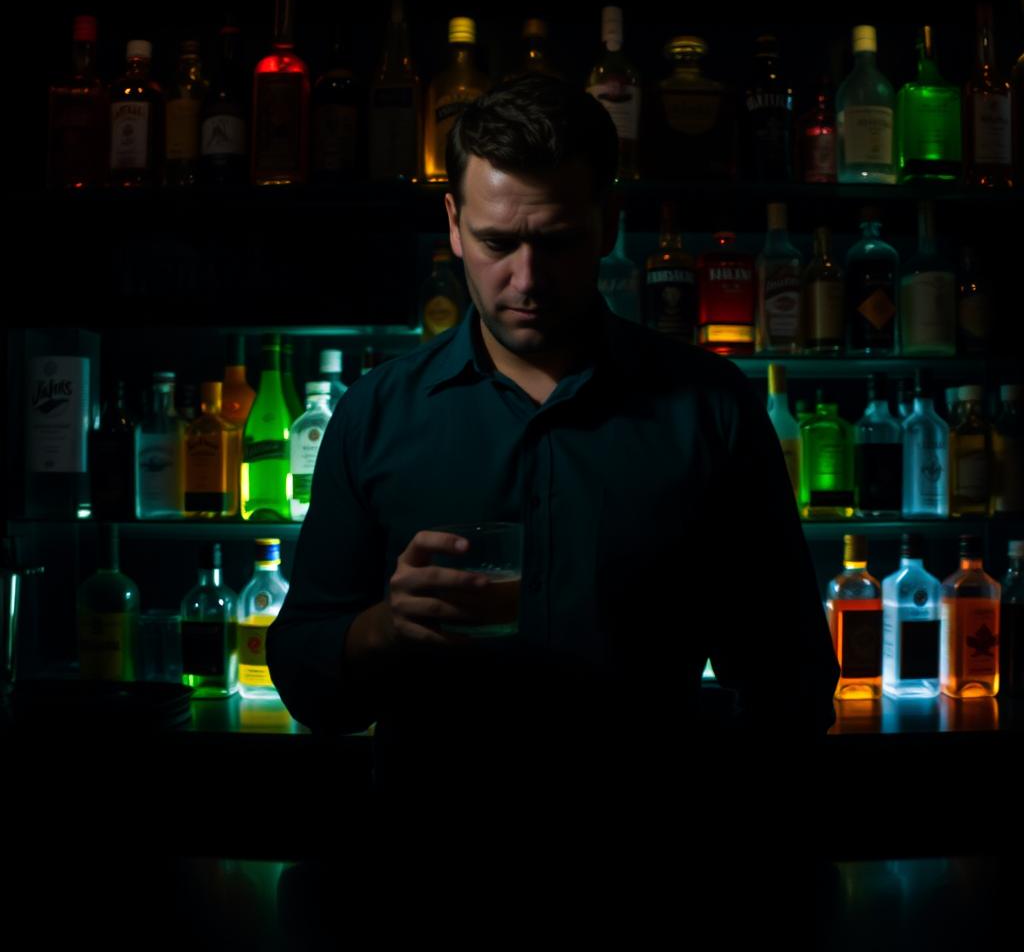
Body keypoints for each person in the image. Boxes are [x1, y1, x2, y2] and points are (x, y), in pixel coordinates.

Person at [265, 72, 839, 816]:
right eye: (496, 243)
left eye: (558, 241)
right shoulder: (377, 413)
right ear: (452, 223)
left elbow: (788, 681)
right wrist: (382, 630)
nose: (526, 280)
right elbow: (307, 681)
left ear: (607, 223)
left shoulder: (710, 409)